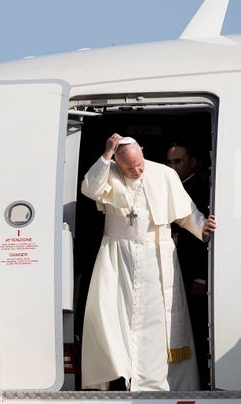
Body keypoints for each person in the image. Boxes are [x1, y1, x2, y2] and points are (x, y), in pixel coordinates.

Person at [80, 133, 216, 391]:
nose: (136, 170)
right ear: (117, 163)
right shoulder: (107, 171)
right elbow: (90, 188)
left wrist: (203, 229)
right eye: (129, 167)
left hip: (158, 256)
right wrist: (107, 153)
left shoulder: (163, 174)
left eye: (139, 164)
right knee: (113, 318)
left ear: (143, 151)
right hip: (118, 258)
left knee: (159, 324)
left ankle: (162, 385)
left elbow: (185, 213)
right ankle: (124, 378)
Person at [166, 141, 211, 389]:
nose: (172, 167)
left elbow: (206, 236)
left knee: (195, 328)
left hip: (194, 275)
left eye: (178, 161)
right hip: (177, 271)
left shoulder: (201, 189)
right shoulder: (174, 187)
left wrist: (203, 277)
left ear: (192, 162)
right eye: (169, 162)